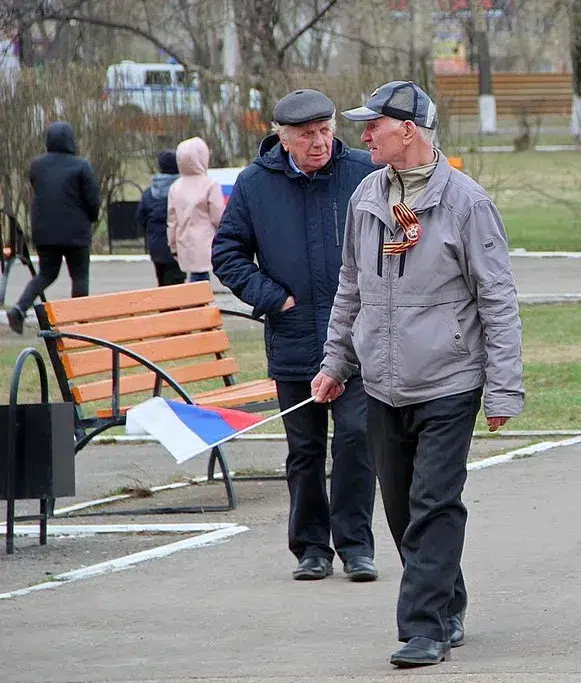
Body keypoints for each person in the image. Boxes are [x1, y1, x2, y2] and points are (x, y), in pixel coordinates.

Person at [312, 81, 524, 668]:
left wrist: (503, 387)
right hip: (382, 383)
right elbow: (351, 287)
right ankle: (447, 600)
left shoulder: (467, 203)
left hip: (449, 380)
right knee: (402, 509)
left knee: (433, 502)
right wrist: (336, 363)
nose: (363, 135)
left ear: (407, 130)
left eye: (373, 124)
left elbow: (497, 298)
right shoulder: (366, 197)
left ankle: (423, 628)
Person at [211, 89, 380, 583]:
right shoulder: (255, 184)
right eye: (307, 135)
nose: (319, 142)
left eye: (325, 131)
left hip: (356, 340)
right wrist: (272, 297)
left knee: (355, 439)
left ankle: (356, 546)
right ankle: (311, 548)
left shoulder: (362, 172)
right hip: (294, 338)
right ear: (283, 138)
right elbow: (227, 253)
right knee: (304, 450)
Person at [6, 121, 99, 334]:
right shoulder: (81, 166)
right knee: (80, 277)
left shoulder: (37, 166)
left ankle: (19, 309)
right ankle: (80, 323)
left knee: (46, 274)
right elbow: (92, 199)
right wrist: (92, 218)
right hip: (76, 232)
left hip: (45, 232)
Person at [167, 136, 224, 283]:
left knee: (195, 277)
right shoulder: (210, 185)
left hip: (183, 240)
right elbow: (218, 216)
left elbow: (172, 220)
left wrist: (172, 244)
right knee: (201, 278)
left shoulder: (175, 187)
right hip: (206, 241)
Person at [136, 149, 186, 287]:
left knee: (162, 282)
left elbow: (141, 217)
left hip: (156, 246)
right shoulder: (181, 190)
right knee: (176, 284)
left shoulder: (149, 192)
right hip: (177, 244)